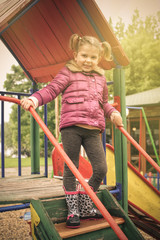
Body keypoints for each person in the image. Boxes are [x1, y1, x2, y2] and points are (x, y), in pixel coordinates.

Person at [21, 34, 123, 228]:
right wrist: (34, 99)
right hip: (71, 128)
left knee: (101, 168)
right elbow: (51, 90)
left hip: (93, 129)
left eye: (93, 57)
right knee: (72, 167)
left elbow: (104, 103)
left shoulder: (100, 78)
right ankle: (73, 210)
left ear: (99, 58)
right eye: (84, 55)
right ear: (76, 55)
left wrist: (113, 113)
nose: (88, 60)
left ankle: (85, 202)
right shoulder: (67, 73)